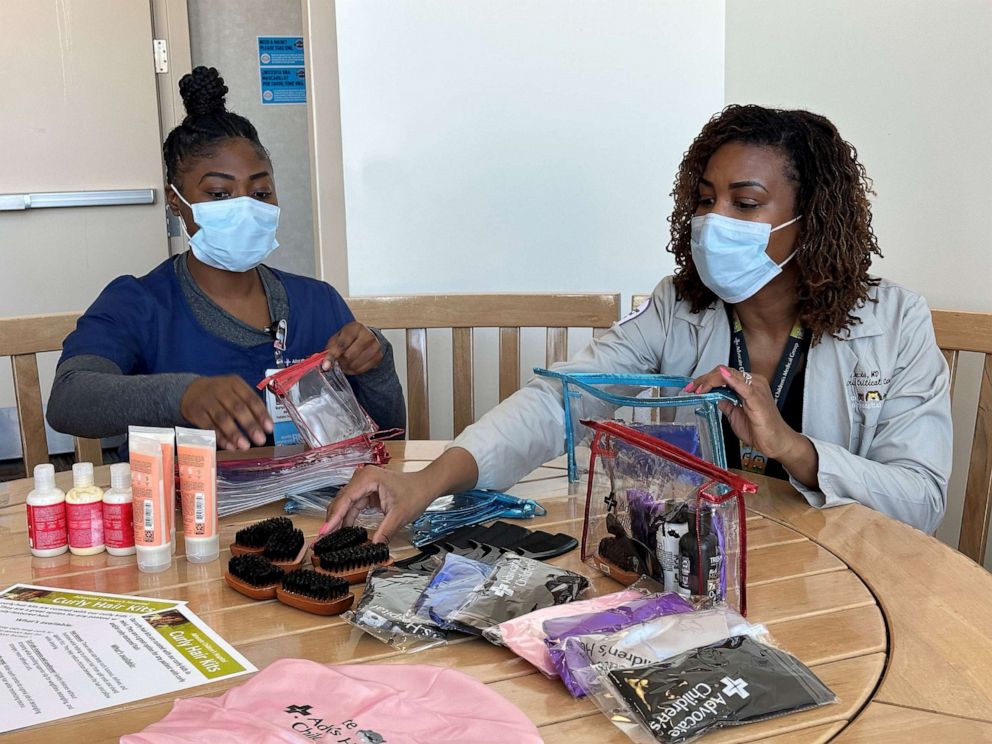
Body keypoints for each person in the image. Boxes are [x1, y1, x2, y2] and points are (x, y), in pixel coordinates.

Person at [324, 104, 951, 540]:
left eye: (747, 203)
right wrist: (425, 484)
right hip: (704, 556)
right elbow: (560, 399)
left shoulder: (894, 322)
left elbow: (919, 501)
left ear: (811, 218)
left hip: (846, 572)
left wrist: (791, 448)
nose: (714, 220)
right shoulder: (681, 308)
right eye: (706, 199)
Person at [47, 67, 405, 449]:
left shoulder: (317, 302)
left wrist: (375, 363)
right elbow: (69, 399)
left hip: (309, 505)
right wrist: (184, 396)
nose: (245, 208)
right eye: (219, 194)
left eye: (261, 192)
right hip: (188, 506)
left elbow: (389, 436)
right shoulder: (139, 304)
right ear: (175, 202)